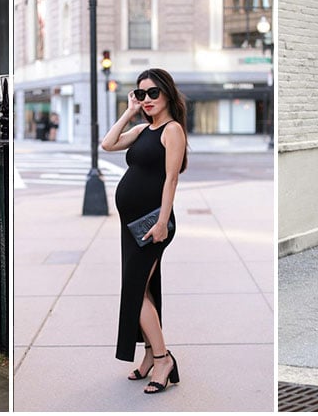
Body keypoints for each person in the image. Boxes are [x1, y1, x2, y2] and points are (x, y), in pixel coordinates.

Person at [101, 68, 188, 394]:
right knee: (144, 290)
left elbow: (171, 179)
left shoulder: (172, 130)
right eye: (141, 93)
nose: (147, 99)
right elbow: (108, 144)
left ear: (166, 94)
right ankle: (151, 354)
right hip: (131, 226)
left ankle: (163, 359)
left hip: (153, 223)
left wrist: (163, 222)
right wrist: (129, 110)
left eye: (153, 93)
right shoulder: (142, 128)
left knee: (135, 291)